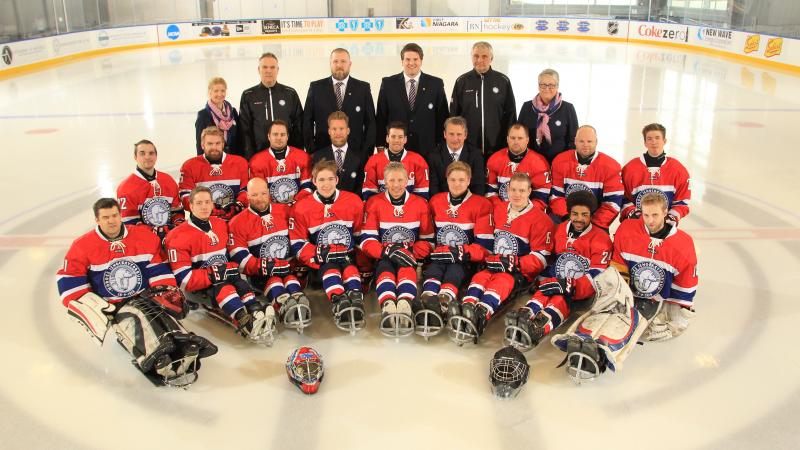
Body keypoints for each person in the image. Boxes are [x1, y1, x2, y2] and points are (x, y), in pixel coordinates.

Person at [57, 198, 216, 386]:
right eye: (106, 217)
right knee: (138, 317)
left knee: (160, 314)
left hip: (146, 296)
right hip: (114, 305)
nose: (111, 221)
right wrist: (96, 307)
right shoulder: (82, 246)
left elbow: (158, 268)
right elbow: (69, 283)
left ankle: (183, 343)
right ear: (97, 220)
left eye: (115, 215)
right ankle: (158, 355)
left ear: (120, 215)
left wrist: (163, 291)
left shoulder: (143, 236)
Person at [550, 192, 697, 382]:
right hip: (625, 289)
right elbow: (617, 265)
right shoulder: (627, 229)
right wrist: (616, 292)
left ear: (665, 213)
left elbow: (685, 284)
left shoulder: (682, 244)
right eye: (645, 215)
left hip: (654, 298)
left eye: (655, 215)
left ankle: (602, 352)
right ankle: (579, 337)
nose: (650, 221)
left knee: (627, 322)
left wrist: (678, 318)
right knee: (602, 312)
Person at [448, 173, 554, 343]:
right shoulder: (497, 210)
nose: (517, 194)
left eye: (521, 190)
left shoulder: (541, 219)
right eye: (513, 190)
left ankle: (482, 311)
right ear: (508, 190)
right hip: (494, 264)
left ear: (529, 191)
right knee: (480, 277)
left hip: (517, 271)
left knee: (501, 281)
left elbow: (541, 258)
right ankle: (468, 305)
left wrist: (516, 263)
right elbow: (487, 243)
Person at [504, 191, 613, 349]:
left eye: (584, 214)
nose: (579, 219)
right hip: (558, 282)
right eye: (575, 214)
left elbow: (597, 276)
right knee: (543, 292)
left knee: (559, 300)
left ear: (592, 214)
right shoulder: (559, 229)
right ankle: (526, 314)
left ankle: (538, 327)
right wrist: (542, 280)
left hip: (579, 292)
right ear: (569, 213)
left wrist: (571, 286)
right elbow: (550, 261)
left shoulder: (601, 239)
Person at [165, 186, 274, 341]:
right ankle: (244, 318)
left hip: (225, 277)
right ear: (191, 205)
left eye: (207, 202)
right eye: (199, 203)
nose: (204, 206)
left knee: (240, 283)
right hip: (200, 289)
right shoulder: (176, 236)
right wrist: (214, 273)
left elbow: (232, 255)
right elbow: (183, 280)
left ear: (212, 204)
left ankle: (255, 310)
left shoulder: (221, 225)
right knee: (225, 286)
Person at [289, 160, 366, 331]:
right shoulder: (301, 207)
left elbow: (361, 234)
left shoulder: (353, 201)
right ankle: (339, 301)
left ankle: (355, 296)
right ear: (314, 181)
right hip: (320, 262)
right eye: (322, 180)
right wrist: (319, 253)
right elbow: (297, 243)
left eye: (330, 179)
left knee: (349, 267)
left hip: (347, 256)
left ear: (337, 180)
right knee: (330, 266)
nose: (326, 184)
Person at [360, 162, 434, 334]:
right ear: (385, 182)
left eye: (400, 180)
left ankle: (405, 304)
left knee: (406, 267)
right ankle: (387, 305)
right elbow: (366, 241)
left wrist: (408, 252)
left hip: (409, 256)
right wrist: (387, 251)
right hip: (384, 257)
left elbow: (429, 241)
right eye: (391, 180)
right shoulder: (373, 203)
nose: (396, 185)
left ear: (408, 180)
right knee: (385, 269)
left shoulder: (421, 204)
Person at [228, 177, 310, 330]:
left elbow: (299, 238)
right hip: (261, 274)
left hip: (289, 268)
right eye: (254, 195)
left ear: (269, 193)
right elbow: (240, 258)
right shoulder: (237, 223)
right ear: (247, 197)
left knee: (290, 279)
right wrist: (268, 266)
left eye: (263, 194)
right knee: (275, 281)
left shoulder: (285, 211)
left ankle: (299, 300)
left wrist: (296, 263)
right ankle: (282, 303)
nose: (260, 199)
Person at [418, 161, 492, 328]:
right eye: (453, 179)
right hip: (440, 256)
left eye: (461, 180)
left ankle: (444, 302)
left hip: (464, 260)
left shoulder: (482, 204)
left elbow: (484, 247)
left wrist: (460, 252)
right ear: (447, 179)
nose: (457, 184)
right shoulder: (436, 201)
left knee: (454, 270)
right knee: (434, 270)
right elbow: (429, 234)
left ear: (469, 180)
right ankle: (428, 300)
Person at [376, 43, 448, 161]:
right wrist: (379, 144)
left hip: (428, 148)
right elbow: (381, 116)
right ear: (402, 61)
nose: (411, 63)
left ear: (421, 60)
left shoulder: (436, 84)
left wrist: (442, 146)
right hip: (397, 148)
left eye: (415, 59)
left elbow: (442, 117)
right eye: (407, 59)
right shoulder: (388, 83)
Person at [303, 48, 376, 157]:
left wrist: (366, 154)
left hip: (355, 155)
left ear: (350, 64)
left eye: (343, 61)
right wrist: (312, 152)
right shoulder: (316, 88)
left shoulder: (363, 89)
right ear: (330, 64)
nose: (339, 65)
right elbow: (306, 122)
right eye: (335, 61)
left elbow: (371, 124)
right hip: (323, 154)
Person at [449, 41, 516, 159]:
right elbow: (454, 116)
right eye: (476, 56)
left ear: (491, 58)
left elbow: (511, 115)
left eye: (484, 56)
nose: (479, 60)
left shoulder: (503, 81)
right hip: (468, 148)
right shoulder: (462, 81)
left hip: (497, 147)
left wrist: (509, 142)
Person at [549, 125, 623, 229]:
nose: (585, 145)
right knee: (548, 229)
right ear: (575, 141)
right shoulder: (560, 161)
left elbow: (612, 204)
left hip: (595, 220)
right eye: (581, 141)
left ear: (596, 142)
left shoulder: (611, 166)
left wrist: (593, 224)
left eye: (589, 141)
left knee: (599, 243)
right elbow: (556, 197)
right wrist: (568, 218)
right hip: (565, 217)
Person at [620, 123, 691, 225]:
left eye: (657, 138)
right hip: (636, 225)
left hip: (664, 227)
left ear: (664, 141)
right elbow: (622, 198)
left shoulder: (678, 170)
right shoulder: (630, 168)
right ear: (645, 143)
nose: (654, 142)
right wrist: (634, 213)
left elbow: (682, 202)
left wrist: (670, 218)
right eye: (649, 139)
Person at [239, 52, 303, 159]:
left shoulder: (290, 93)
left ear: (278, 70)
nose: (268, 71)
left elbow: (299, 126)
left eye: (272, 67)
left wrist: (297, 154)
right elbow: (245, 130)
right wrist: (249, 157)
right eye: (265, 67)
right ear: (258, 69)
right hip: (259, 156)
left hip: (287, 156)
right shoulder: (248, 95)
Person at [179, 126, 249, 221]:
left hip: (235, 219)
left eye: (217, 143)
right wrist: (206, 206)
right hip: (205, 220)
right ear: (202, 145)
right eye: (210, 144)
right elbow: (185, 196)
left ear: (223, 144)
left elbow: (246, 190)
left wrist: (238, 204)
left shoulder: (240, 163)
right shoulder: (189, 166)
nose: (214, 147)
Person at [117, 139, 183, 238]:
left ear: (156, 156)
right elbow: (130, 225)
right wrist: (156, 232)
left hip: (170, 238)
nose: (147, 157)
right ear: (135, 157)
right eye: (142, 153)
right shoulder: (126, 188)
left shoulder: (168, 180)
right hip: (143, 243)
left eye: (151, 153)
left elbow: (177, 212)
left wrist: (177, 226)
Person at [518, 68, 579, 163]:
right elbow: (519, 135)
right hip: (530, 163)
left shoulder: (568, 108)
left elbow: (573, 140)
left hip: (559, 163)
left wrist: (566, 162)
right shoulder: (527, 107)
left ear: (557, 86)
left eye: (551, 85)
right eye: (543, 85)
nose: (547, 88)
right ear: (538, 86)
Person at [486, 123, 551, 210]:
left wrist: (523, 211)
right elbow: (490, 192)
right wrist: (501, 209)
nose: (516, 142)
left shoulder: (540, 163)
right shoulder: (495, 159)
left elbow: (541, 197)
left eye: (520, 138)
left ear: (527, 140)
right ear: (507, 139)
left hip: (528, 213)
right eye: (513, 138)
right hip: (501, 211)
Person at [249, 120, 312, 205]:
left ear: (287, 137)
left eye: (282, 134)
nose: (279, 138)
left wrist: (295, 202)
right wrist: (278, 208)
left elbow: (307, 187)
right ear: (268, 136)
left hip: (298, 206)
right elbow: (260, 193)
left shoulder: (302, 156)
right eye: (275, 134)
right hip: (272, 210)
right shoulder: (257, 161)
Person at [362, 121, 429, 200]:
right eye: (393, 136)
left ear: (405, 139)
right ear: (387, 138)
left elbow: (422, 194)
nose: (396, 140)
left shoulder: (418, 160)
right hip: (382, 208)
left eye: (400, 137)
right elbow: (369, 194)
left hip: (410, 209)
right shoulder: (373, 161)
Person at [427, 116, 486, 197]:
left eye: (459, 134)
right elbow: (434, 187)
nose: (455, 139)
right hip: (443, 203)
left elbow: (478, 186)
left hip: (469, 203)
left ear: (465, 135)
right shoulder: (433, 156)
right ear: (444, 134)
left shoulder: (476, 154)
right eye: (451, 134)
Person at [312, 111, 365, 195]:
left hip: (352, 204)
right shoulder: (318, 156)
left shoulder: (361, 157)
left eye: (341, 128)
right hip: (326, 205)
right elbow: (315, 185)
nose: (338, 133)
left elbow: (363, 186)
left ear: (348, 130)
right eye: (334, 129)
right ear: (329, 131)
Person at [195, 77, 241, 156]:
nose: (219, 94)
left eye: (222, 91)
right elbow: (200, 144)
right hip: (214, 161)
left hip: (233, 160)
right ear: (210, 92)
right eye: (216, 91)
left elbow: (240, 138)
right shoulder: (203, 115)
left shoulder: (233, 112)